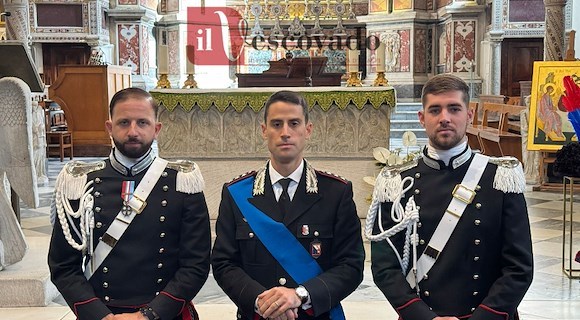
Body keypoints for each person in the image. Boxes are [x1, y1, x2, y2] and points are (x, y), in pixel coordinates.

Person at [366, 74, 533, 320]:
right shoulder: (397, 182)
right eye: (435, 110)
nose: (445, 118)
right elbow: (384, 267)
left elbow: (519, 268)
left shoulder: (501, 178)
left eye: (454, 108)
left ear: (469, 115)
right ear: (422, 118)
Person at [48, 88, 211, 320]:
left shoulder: (182, 182)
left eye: (142, 122)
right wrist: (99, 315)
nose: (133, 131)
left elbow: (196, 264)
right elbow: (63, 265)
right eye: (124, 122)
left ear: (156, 129)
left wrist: (148, 315)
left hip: (165, 313)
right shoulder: (79, 183)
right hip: (100, 313)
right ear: (109, 127)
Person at [211, 90, 364, 320]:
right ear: (264, 131)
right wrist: (263, 302)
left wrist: (300, 295)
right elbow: (224, 263)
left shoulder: (336, 192)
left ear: (308, 130)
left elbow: (351, 265)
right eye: (276, 124)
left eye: (294, 123)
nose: (285, 133)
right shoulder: (236, 193)